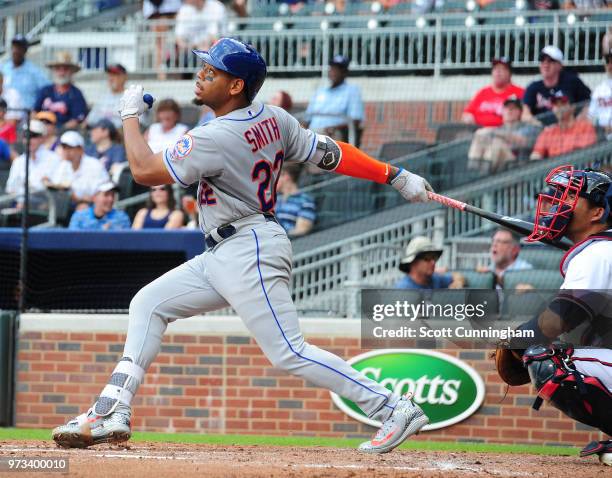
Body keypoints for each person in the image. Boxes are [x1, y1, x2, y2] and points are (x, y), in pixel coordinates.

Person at [52, 38, 433, 454]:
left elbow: (143, 171)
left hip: (248, 246)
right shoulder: (274, 117)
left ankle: (393, 406)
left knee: (289, 352)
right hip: (226, 249)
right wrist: (392, 173)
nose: (201, 75)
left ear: (235, 86)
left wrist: (128, 116)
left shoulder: (214, 136)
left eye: (211, 72)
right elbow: (331, 154)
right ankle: (112, 409)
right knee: (149, 302)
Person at [513, 166, 612, 466]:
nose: (558, 204)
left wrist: (515, 339)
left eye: (570, 198)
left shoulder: (599, 252)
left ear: (597, 213)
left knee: (548, 360)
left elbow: (559, 319)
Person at [468, 96, 540, 173]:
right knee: (480, 136)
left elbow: (522, 141)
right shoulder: (499, 129)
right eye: (507, 108)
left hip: (517, 166)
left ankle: (483, 175)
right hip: (498, 166)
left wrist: (492, 131)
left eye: (513, 108)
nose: (509, 111)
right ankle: (474, 171)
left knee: (497, 143)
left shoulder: (527, 127)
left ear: (520, 112)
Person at [522, 45, 591, 126]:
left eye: (550, 61)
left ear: (560, 65)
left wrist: (577, 123)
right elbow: (525, 115)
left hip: (570, 130)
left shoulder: (572, 82)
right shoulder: (533, 87)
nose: (545, 65)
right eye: (542, 61)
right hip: (542, 132)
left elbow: (588, 104)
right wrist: (542, 128)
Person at [305, 55, 364, 145]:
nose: (334, 71)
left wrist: (335, 127)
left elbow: (355, 120)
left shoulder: (352, 91)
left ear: (345, 72)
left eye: (338, 69)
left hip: (332, 135)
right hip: (311, 134)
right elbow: (307, 118)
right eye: (332, 68)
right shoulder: (320, 91)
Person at [5, 119, 61, 207]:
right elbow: (11, 188)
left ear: (42, 138)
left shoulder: (54, 159)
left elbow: (57, 190)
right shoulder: (19, 161)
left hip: (45, 207)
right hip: (20, 206)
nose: (29, 140)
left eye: (33, 136)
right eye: (26, 136)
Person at [530, 90, 597, 160]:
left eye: (563, 103)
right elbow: (535, 155)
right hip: (554, 169)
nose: (559, 107)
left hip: (577, 167)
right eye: (555, 104)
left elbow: (586, 154)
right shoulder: (548, 132)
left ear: (572, 107)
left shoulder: (585, 127)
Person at [49, 131, 110, 208]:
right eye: (64, 147)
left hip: (92, 206)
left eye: (70, 147)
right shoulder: (63, 164)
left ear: (80, 149)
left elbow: (102, 194)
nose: (66, 151)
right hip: (67, 205)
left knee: (82, 207)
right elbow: (56, 185)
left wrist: (79, 199)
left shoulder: (94, 165)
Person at [461, 57, 525, 128]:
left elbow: (524, 116)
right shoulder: (483, 92)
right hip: (478, 130)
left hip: (504, 132)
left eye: (502, 69)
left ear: (509, 73)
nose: (498, 72)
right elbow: (467, 113)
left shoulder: (519, 92)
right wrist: (468, 118)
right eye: (495, 69)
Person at [34, 52, 88, 129]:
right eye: (58, 69)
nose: (61, 73)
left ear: (71, 72)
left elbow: (77, 120)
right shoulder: (45, 90)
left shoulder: (76, 94)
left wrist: (57, 130)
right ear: (54, 71)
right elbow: (34, 111)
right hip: (41, 130)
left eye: (65, 69)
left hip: (64, 133)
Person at [0, 35, 49, 110]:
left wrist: (38, 109)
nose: (16, 50)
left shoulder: (34, 71)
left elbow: (48, 90)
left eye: (20, 48)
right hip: (4, 114)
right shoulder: (3, 68)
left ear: (25, 50)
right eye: (14, 47)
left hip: (25, 115)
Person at [396, 236, 465, 289]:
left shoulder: (435, 279)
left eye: (434, 258)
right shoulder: (403, 289)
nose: (433, 262)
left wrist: (458, 282)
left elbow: (458, 275)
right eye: (427, 259)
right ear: (413, 262)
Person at [275, 164, 316, 237]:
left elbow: (301, 229)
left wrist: (281, 236)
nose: (273, 180)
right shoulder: (274, 199)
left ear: (286, 176)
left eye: (276, 176)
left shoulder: (305, 200)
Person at [86, 64, 128, 129]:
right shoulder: (102, 97)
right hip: (98, 133)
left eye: (114, 75)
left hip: (119, 135)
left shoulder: (130, 97)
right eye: (109, 75)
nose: (111, 78)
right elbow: (90, 120)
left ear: (124, 77)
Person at [588, 48, 612, 138]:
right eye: (607, 61)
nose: (610, 65)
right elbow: (590, 116)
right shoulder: (599, 90)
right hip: (602, 139)